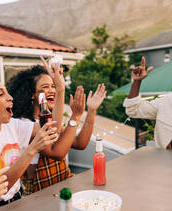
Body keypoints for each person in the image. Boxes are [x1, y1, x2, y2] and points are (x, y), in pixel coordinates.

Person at [0, 61, 80, 210]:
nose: (10, 98)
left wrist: (60, 90)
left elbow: (52, 130)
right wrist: (32, 149)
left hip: (19, 200)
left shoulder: (13, 126)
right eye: (1, 94)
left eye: (8, 93)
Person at [7, 62, 106, 194]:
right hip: (40, 194)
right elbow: (58, 153)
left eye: (53, 86)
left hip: (63, 186)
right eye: (45, 87)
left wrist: (91, 110)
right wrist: (61, 92)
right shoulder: (25, 125)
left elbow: (80, 143)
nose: (52, 90)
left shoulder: (51, 120)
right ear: (31, 94)